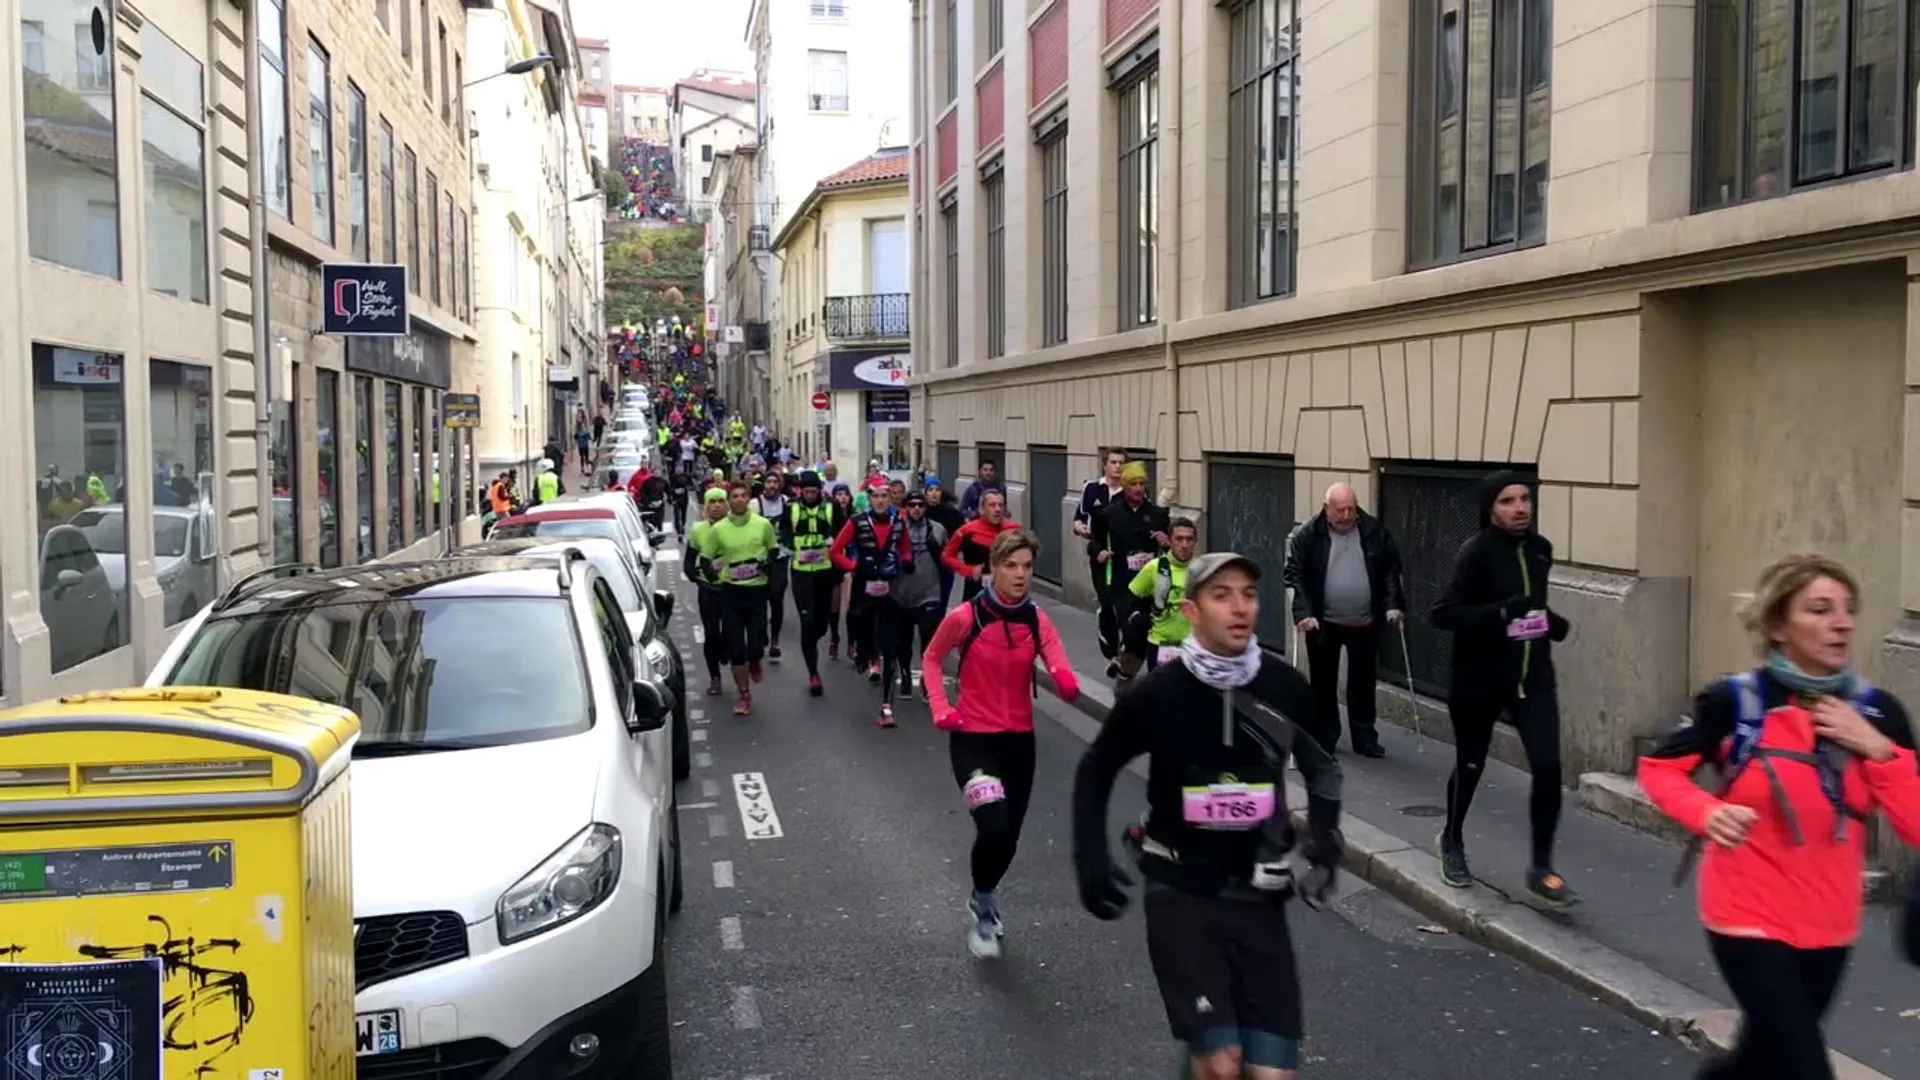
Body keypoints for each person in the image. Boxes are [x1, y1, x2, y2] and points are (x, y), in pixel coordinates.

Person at [1638, 554, 1920, 1080]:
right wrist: (1706, 811)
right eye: (1819, 609)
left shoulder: (1880, 713)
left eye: (1848, 609)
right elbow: (1659, 770)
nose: (1842, 623)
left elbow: (1915, 826)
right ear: (1776, 626)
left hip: (1829, 923)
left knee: (1762, 1058)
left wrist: (1879, 751)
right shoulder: (1735, 701)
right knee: (1805, 1067)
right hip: (1747, 913)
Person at [1071, 553, 1343, 1080]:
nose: (1240, 608)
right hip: (1180, 890)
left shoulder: (1284, 687)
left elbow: (1323, 770)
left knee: (1271, 1075)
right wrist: (1091, 858)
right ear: (1191, 612)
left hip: (1259, 896)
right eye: (1222, 596)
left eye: (1248, 594)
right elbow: (1096, 767)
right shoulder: (1158, 695)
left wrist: (1326, 839)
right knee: (1222, 1065)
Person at [922, 528, 1079, 958]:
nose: (1020, 575)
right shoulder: (966, 617)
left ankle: (981, 892)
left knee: (1008, 837)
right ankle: (986, 908)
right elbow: (933, 658)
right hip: (973, 739)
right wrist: (939, 705)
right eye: (1011, 565)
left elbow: (1056, 654)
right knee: (992, 823)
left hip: (1019, 742)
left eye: (1027, 566)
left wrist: (1066, 680)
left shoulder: (1035, 618)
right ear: (993, 567)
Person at [1430, 470, 1576, 904]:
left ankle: (1542, 867)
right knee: (1471, 765)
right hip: (1479, 680)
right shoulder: (1475, 554)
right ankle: (1451, 840)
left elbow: (1534, 609)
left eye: (1525, 499)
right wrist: (1498, 614)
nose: (1520, 508)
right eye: (1508, 501)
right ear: (1491, 509)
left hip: (1534, 680)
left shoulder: (1540, 551)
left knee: (1548, 768)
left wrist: (1550, 623)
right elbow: (1443, 614)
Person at [1282, 482, 1406, 759]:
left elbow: (1390, 569)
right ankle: (1326, 736)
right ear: (1327, 509)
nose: (1347, 515)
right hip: (1324, 623)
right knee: (1323, 683)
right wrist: (1303, 613)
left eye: (1351, 508)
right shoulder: (1309, 534)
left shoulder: (1374, 531)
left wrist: (1394, 605)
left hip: (1365, 621)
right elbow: (1294, 573)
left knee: (1363, 682)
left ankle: (1364, 737)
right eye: (1341, 510)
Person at [830, 484, 915, 727]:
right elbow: (835, 552)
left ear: (890, 498)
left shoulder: (899, 522)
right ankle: (862, 652)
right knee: (861, 632)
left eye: (884, 496)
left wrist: (907, 561)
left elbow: (905, 548)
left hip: (890, 590)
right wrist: (854, 567)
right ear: (869, 499)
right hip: (863, 589)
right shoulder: (857, 522)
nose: (880, 501)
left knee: (891, 647)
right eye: (875, 496)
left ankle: (886, 707)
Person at [691, 481, 778, 716]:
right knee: (736, 648)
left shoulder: (763, 525)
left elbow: (774, 550)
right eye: (735, 496)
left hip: (756, 592)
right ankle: (744, 694)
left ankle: (756, 660)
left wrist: (766, 566)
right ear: (730, 501)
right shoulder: (718, 530)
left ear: (748, 499)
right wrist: (713, 575)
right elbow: (705, 558)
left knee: (756, 646)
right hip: (730, 592)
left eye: (743, 495)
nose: (739, 500)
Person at [1092, 461, 1170, 681]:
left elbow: (1170, 546)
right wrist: (1099, 552)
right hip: (1122, 581)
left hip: (1150, 582)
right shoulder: (1109, 514)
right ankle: (1122, 660)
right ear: (1124, 487)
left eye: (1141, 483)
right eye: (1133, 484)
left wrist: (1165, 542)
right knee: (1130, 623)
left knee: (1143, 626)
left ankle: (1125, 667)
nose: (1138, 488)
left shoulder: (1157, 514)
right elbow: (1095, 541)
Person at [781, 471, 844, 697]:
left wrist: (834, 541)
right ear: (800, 491)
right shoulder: (791, 508)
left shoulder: (831, 506)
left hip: (825, 571)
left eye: (813, 491)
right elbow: (785, 530)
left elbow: (843, 530)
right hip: (801, 573)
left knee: (821, 625)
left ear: (819, 490)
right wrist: (788, 544)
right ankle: (813, 673)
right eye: (806, 491)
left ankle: (816, 637)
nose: (809, 494)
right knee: (807, 622)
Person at [892, 491, 949, 700]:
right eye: (912, 505)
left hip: (929, 594)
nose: (916, 509)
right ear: (905, 507)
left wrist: (939, 556)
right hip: (901, 594)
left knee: (929, 640)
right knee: (904, 642)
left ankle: (927, 680)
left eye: (920, 505)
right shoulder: (896, 528)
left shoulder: (938, 529)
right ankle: (906, 674)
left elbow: (948, 560)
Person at [1123, 517, 1199, 672]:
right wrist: (1140, 619)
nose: (1184, 545)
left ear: (1195, 541)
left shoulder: (1201, 569)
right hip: (1162, 646)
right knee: (1163, 695)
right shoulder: (1155, 567)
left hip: (1193, 647)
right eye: (1179, 539)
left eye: (1189, 539)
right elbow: (1129, 601)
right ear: (1170, 541)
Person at [1076, 447, 1129, 664]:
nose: (1117, 467)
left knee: (1126, 604)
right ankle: (1112, 652)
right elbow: (1078, 519)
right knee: (1106, 602)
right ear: (1105, 465)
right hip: (1099, 556)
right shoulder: (1091, 489)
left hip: (1125, 557)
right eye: (1114, 462)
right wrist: (1081, 528)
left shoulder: (1131, 490)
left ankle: (1126, 649)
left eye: (1121, 463)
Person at [686, 489, 732, 697]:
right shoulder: (698, 530)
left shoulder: (735, 528)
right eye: (712, 502)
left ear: (727, 505)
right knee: (711, 634)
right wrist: (698, 577)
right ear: (705, 506)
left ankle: (726, 647)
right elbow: (688, 562)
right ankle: (715, 677)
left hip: (732, 588)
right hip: (708, 590)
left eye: (721, 501)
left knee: (731, 633)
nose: (716, 505)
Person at [941, 490, 1021, 602]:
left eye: (1000, 505)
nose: (997, 509)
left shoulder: (1013, 530)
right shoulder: (967, 531)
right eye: (992, 505)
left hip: (1007, 590)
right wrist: (968, 570)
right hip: (976, 590)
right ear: (982, 509)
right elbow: (947, 556)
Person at [754, 472, 791, 660]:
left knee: (777, 597)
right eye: (769, 482)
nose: (772, 485)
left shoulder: (787, 502)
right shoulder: (755, 504)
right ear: (764, 484)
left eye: (776, 482)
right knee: (760, 599)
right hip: (759, 558)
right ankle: (762, 633)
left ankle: (775, 639)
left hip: (781, 556)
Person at [921, 477, 966, 606]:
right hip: (925, 562)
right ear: (925, 493)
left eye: (937, 490)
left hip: (945, 561)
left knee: (943, 597)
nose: (934, 493)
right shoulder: (919, 511)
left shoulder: (952, 513)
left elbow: (961, 534)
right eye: (930, 490)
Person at [826, 483, 855, 658]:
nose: (842, 497)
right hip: (835, 565)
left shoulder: (856, 517)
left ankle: (853, 643)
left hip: (853, 564)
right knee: (834, 606)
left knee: (852, 606)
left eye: (845, 494)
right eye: (839, 494)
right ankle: (835, 635)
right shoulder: (830, 519)